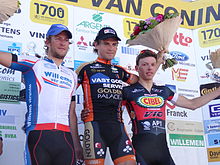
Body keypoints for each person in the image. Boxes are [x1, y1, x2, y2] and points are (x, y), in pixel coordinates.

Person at [0, 24, 83, 165]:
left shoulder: (72, 75)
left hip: (65, 139)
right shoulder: (35, 64)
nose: (63, 42)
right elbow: (4, 57)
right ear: (47, 42)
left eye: (66, 39)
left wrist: (76, 144)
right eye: (58, 38)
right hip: (39, 136)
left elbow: (71, 112)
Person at [122, 49, 220, 165]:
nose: (149, 68)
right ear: (137, 68)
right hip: (140, 151)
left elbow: (193, 104)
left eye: (153, 64)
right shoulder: (128, 91)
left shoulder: (164, 91)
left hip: (163, 152)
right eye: (144, 64)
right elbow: (113, 117)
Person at [76, 27, 143, 165]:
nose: (111, 48)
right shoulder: (86, 68)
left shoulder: (119, 71)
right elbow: (65, 92)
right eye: (106, 43)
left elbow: (142, 81)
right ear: (96, 45)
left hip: (118, 128)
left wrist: (159, 60)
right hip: (94, 127)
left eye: (114, 44)